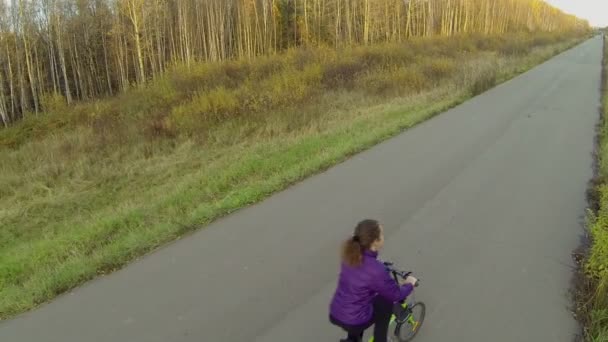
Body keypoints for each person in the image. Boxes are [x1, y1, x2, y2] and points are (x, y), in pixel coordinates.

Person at [329, 219, 417, 342]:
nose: (383, 237)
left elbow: (361, 275)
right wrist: (409, 284)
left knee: (359, 301)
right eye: (381, 234)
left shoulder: (350, 255)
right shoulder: (376, 271)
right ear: (375, 241)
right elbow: (396, 295)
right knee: (385, 302)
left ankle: (352, 339)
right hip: (354, 320)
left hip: (336, 312)